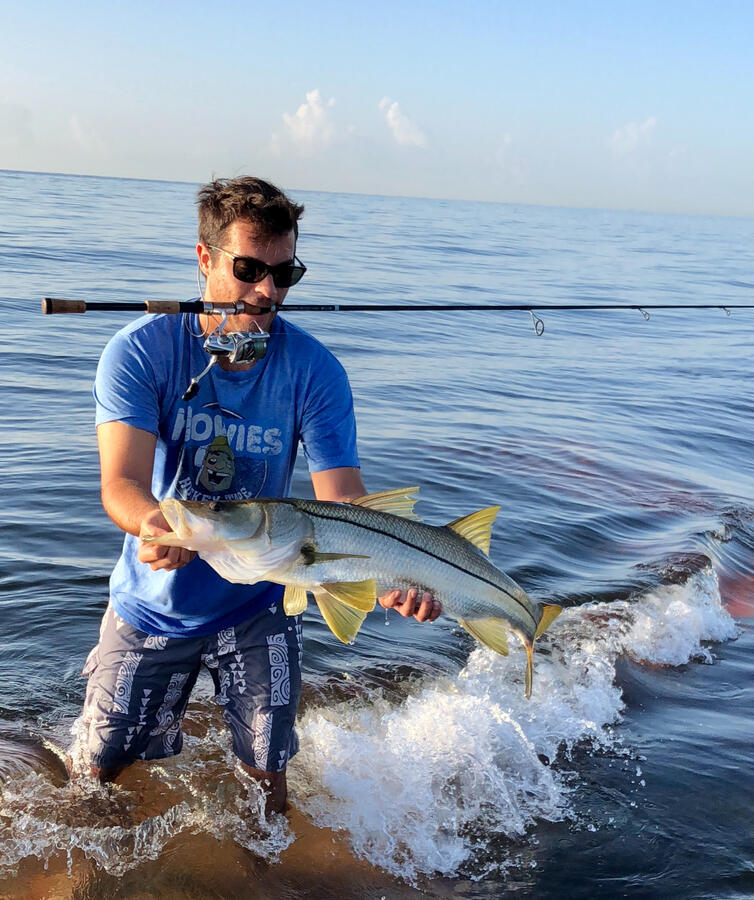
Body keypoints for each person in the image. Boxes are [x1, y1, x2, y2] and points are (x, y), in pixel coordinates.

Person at [75, 176, 440, 814]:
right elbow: (121, 484)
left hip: (261, 600)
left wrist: (390, 577)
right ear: (204, 259)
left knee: (268, 780)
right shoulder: (139, 352)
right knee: (99, 773)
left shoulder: (316, 370)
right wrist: (155, 525)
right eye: (248, 269)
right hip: (155, 602)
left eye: (284, 274)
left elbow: (343, 504)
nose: (267, 291)